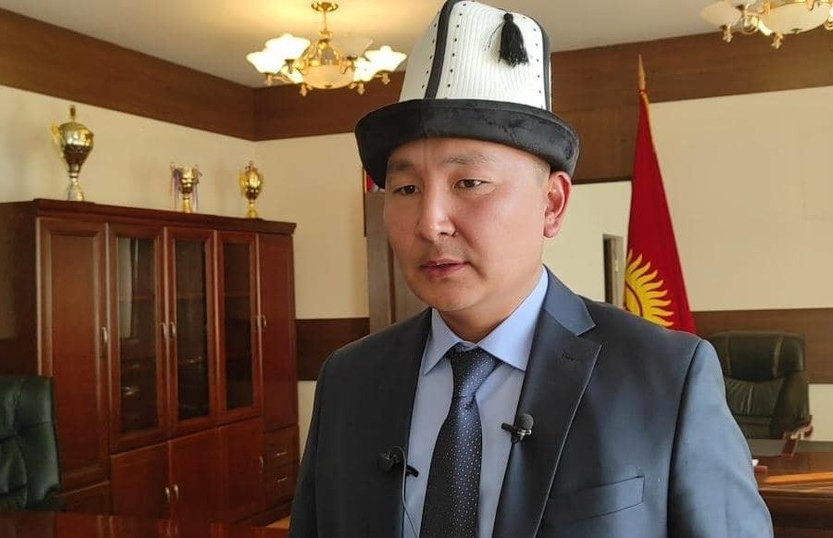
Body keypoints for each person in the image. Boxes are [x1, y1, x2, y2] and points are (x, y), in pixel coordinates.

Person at [289, 1, 773, 536]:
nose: (430, 223)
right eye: (405, 189)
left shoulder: (666, 375)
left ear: (552, 204)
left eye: (469, 183)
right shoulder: (350, 379)